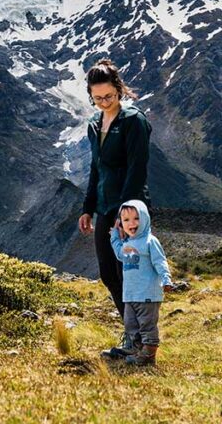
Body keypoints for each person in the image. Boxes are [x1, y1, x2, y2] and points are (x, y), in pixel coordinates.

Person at [76, 58, 152, 359]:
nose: (104, 102)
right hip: (105, 206)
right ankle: (133, 336)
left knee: (130, 276)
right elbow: (96, 169)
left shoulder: (134, 121)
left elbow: (138, 169)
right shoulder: (95, 125)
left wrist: (127, 216)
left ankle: (142, 343)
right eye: (97, 98)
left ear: (119, 90)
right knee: (109, 273)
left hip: (130, 210)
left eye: (109, 96)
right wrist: (87, 208)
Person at [106, 200, 174, 365]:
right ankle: (136, 349)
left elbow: (160, 261)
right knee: (130, 324)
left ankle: (149, 354)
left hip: (147, 295)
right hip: (130, 295)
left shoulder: (150, 241)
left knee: (147, 325)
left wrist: (166, 278)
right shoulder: (127, 243)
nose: (132, 223)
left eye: (136, 218)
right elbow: (119, 253)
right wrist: (115, 234)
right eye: (126, 220)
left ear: (145, 218)